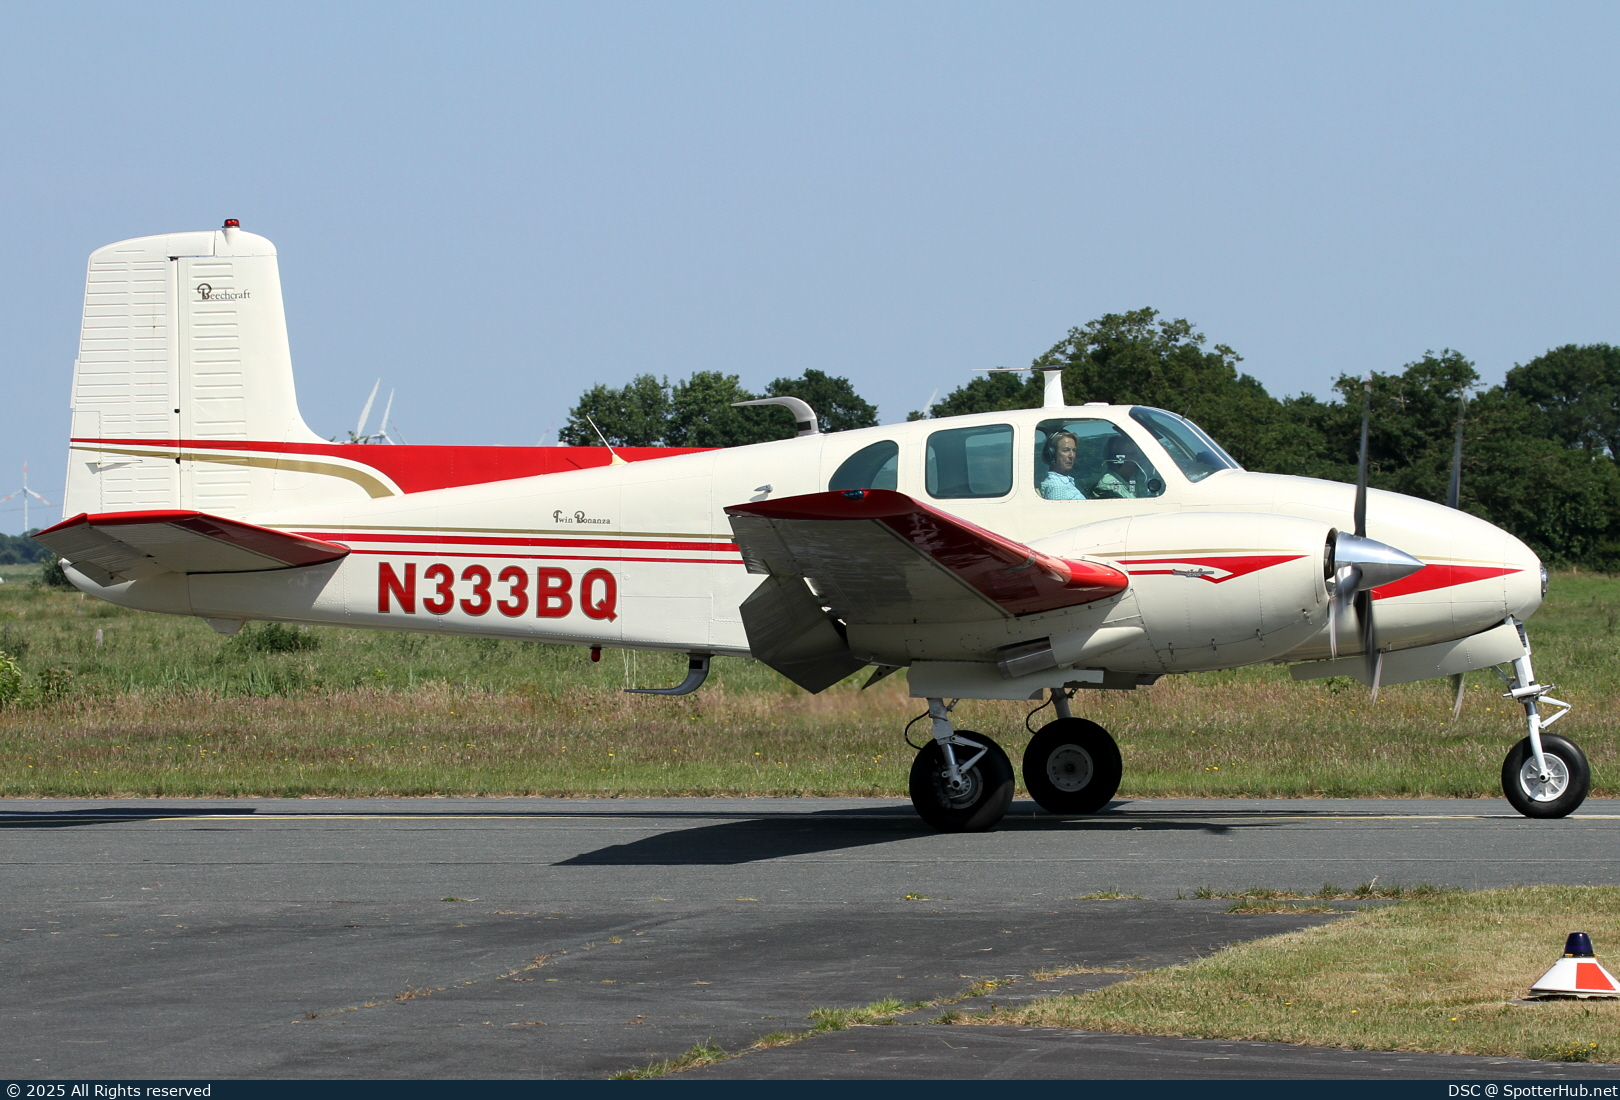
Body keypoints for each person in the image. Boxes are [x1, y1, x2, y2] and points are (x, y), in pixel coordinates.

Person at [1038, 430, 1086, 499]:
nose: (1072, 456)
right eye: (1066, 450)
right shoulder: (1057, 486)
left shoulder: (1065, 481)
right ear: (1052, 454)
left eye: (1074, 450)